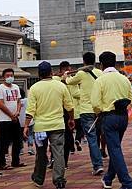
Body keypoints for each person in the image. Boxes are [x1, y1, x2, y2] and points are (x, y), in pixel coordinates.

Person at [24, 61, 74, 189]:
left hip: (40, 127)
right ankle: (59, 180)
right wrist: (71, 119)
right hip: (57, 125)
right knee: (58, 153)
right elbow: (69, 106)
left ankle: (39, 179)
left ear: (39, 74)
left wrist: (25, 126)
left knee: (40, 154)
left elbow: (30, 111)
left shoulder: (34, 88)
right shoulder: (61, 86)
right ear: (51, 72)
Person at [91, 51, 132, 189]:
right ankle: (108, 178)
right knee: (115, 148)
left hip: (108, 117)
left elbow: (95, 103)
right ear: (115, 63)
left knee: (114, 149)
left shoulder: (100, 80)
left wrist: (99, 113)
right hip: (123, 117)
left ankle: (127, 183)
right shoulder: (124, 78)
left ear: (101, 64)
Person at [64, 52, 104, 175]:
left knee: (91, 138)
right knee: (98, 136)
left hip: (86, 110)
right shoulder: (100, 73)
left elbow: (69, 81)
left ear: (84, 61)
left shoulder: (81, 73)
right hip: (99, 110)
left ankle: (97, 165)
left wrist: (66, 75)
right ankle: (99, 160)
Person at [0, 68, 24, 170]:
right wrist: (11, 115)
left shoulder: (16, 87)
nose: (10, 77)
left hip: (15, 119)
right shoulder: (0, 88)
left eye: (11, 75)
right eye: (7, 75)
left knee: (17, 141)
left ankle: (15, 161)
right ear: (3, 77)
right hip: (4, 120)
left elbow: (19, 101)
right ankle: (1, 163)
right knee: (3, 142)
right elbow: (0, 104)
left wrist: (17, 112)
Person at [58, 61, 78, 167]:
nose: (68, 72)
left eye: (69, 70)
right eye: (66, 70)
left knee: (67, 135)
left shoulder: (72, 80)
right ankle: (55, 160)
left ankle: (64, 161)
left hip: (68, 111)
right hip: (58, 111)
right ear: (61, 70)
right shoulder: (56, 80)